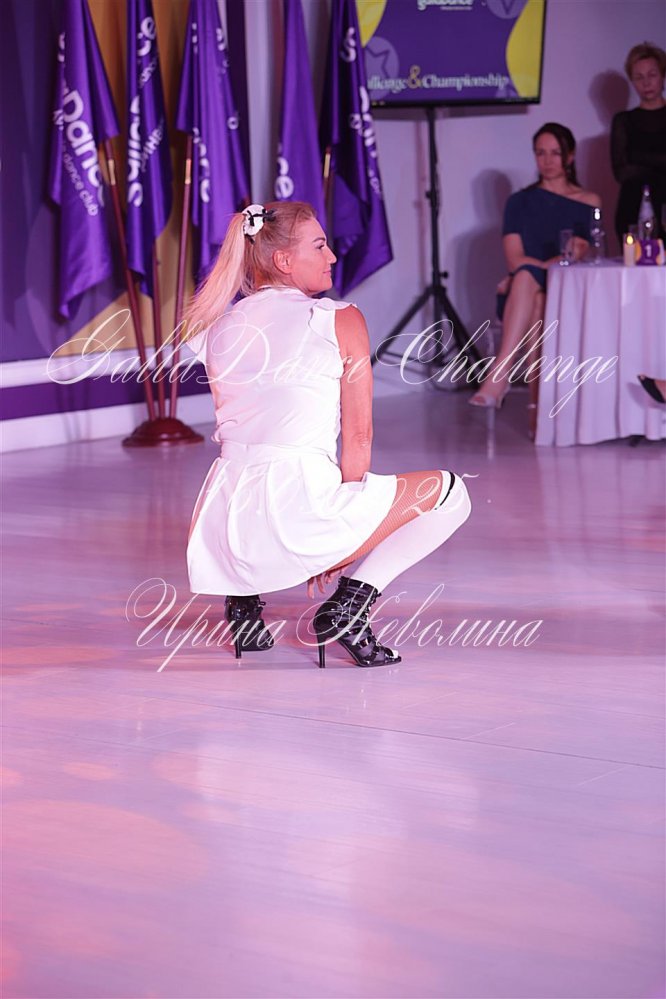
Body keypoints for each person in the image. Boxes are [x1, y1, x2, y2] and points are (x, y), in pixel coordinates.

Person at [184, 202, 471, 667]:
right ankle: (348, 608)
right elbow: (359, 437)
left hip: (226, 530)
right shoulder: (337, 318)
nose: (332, 256)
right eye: (319, 246)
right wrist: (344, 545)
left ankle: (243, 607)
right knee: (452, 494)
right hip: (298, 514)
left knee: (252, 461)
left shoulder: (217, 326)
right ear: (283, 260)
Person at [469, 123, 601, 437]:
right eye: (541, 153)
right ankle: (536, 408)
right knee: (535, 294)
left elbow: (585, 253)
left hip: (565, 290)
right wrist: (539, 267)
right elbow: (514, 259)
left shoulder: (588, 200)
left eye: (555, 153)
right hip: (526, 293)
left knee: (529, 281)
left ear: (569, 156)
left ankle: (501, 379)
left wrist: (533, 269)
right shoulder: (519, 202)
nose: (548, 160)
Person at [611, 42, 666, 244]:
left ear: (662, 76)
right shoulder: (623, 121)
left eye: (652, 75)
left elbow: (632, 167)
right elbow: (621, 172)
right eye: (639, 77)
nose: (646, 83)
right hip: (632, 210)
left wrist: (638, 159)